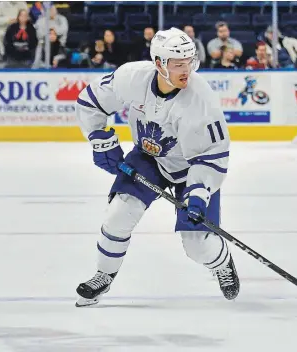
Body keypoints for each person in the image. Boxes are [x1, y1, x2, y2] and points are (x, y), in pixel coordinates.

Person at [74, 27, 239, 307]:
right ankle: (103, 275)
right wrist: (100, 139)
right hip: (149, 157)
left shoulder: (201, 100)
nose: (186, 69)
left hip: (192, 169)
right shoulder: (132, 78)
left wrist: (198, 193)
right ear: (159, 63)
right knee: (118, 215)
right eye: (178, 64)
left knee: (197, 245)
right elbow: (91, 100)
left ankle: (222, 262)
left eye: (189, 61)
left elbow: (213, 154)